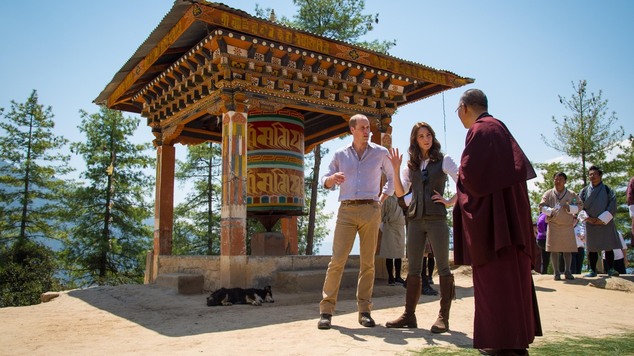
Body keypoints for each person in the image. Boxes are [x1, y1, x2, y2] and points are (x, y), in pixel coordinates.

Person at [452, 89, 542, 355]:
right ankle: (514, 342)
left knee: (496, 282)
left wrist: (459, 178)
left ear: (464, 107)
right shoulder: (499, 129)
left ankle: (502, 343)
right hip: (508, 221)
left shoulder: (482, 131)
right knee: (512, 282)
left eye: (458, 110)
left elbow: (471, 177)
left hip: (494, 229)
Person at [317, 114, 394, 330]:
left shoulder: (380, 152)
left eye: (368, 127)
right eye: (362, 128)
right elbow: (325, 178)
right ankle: (326, 311)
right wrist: (331, 180)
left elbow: (392, 176)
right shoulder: (340, 154)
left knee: (367, 263)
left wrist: (383, 197)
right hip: (346, 211)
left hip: (371, 209)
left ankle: (365, 311)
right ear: (352, 130)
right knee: (337, 261)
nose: (367, 131)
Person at [386, 121, 458, 333]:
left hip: (437, 219)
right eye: (421, 136)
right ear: (415, 141)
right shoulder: (412, 166)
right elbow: (401, 194)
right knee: (414, 268)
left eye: (428, 135)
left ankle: (443, 317)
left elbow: (463, 182)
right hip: (415, 220)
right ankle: (409, 315)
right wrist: (397, 169)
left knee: (443, 267)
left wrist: (449, 201)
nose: (426, 139)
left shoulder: (444, 160)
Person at [578, 165, 622, 277]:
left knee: (608, 246)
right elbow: (579, 205)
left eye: (594, 174)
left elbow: (612, 205)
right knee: (591, 248)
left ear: (600, 175)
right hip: (590, 222)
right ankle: (593, 270)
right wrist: (588, 218)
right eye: (590, 174)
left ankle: (611, 269)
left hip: (605, 222)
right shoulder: (583, 191)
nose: (592, 176)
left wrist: (601, 219)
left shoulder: (607, 190)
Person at [539, 172, 580, 280]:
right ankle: (556, 272)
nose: (558, 181)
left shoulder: (572, 194)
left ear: (565, 181)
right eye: (556, 179)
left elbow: (580, 205)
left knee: (568, 250)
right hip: (553, 225)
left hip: (567, 225)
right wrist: (549, 211)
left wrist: (571, 208)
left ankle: (567, 271)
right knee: (554, 249)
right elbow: (541, 206)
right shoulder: (548, 193)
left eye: (560, 179)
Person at [379, 194, 406, 286]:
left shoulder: (402, 198)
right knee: (389, 253)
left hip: (400, 227)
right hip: (389, 226)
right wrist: (382, 224)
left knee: (399, 253)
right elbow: (382, 213)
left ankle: (398, 276)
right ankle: (390, 277)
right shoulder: (387, 198)